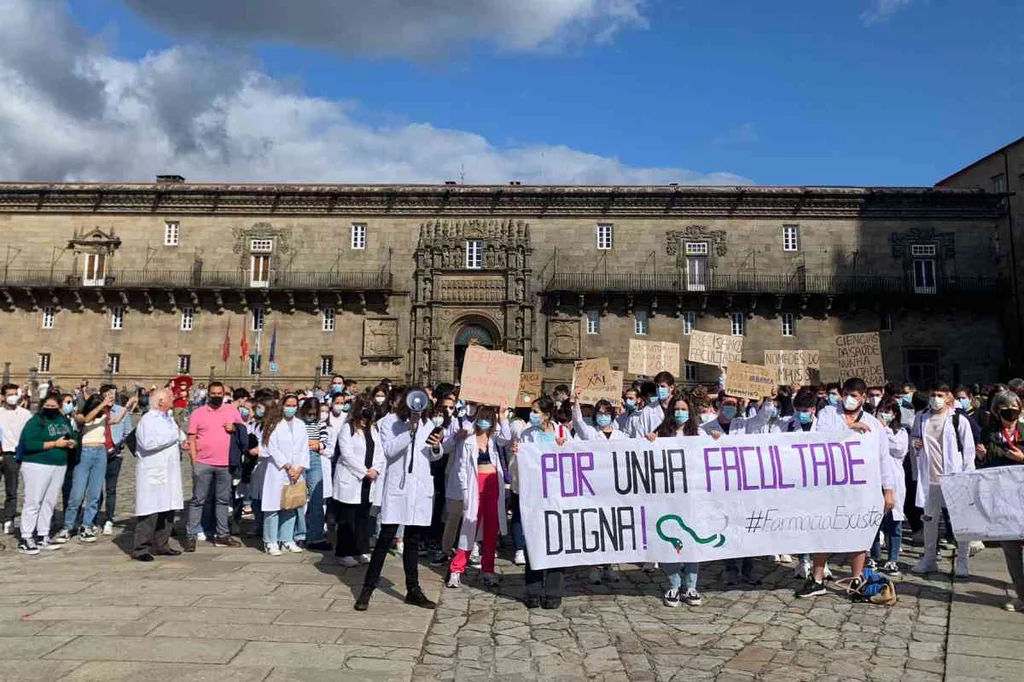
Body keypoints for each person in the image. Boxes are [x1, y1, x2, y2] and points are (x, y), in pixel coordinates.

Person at [796, 378, 896, 599]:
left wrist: (889, 489)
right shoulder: (828, 414)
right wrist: (849, 428)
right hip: (830, 483)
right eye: (847, 394)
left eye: (856, 395)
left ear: (863, 397)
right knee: (823, 529)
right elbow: (820, 438)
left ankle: (856, 579)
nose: (851, 399)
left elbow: (883, 458)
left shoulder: (874, 423)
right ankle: (817, 579)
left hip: (860, 485)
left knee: (859, 531)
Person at [355, 387, 441, 612]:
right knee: (385, 538)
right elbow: (390, 450)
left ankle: (413, 589)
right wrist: (409, 431)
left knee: (412, 541)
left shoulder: (428, 424)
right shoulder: (389, 422)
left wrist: (436, 446)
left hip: (419, 488)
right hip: (397, 488)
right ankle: (367, 588)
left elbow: (434, 456)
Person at [909, 382, 976, 577]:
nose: (936, 398)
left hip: (954, 478)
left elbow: (969, 450)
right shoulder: (921, 418)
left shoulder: (958, 420)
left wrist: (966, 476)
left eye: (940, 394)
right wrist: (915, 443)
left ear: (948, 397)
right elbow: (913, 440)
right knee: (929, 521)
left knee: (959, 521)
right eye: (933, 394)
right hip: (929, 479)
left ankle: (962, 561)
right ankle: (929, 559)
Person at [511, 396, 571, 609]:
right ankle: (533, 590)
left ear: (546, 414)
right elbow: (519, 468)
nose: (532, 415)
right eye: (531, 411)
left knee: (557, 543)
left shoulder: (562, 433)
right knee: (533, 543)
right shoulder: (526, 435)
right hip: (535, 497)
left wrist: (563, 448)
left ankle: (554, 591)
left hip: (557, 497)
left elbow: (573, 462)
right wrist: (517, 455)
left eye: (536, 411)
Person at [57, 391, 136, 543]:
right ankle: (68, 526)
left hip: (100, 453)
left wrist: (127, 405)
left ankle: (86, 526)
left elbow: (118, 420)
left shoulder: (104, 417)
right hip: (85, 452)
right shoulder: (79, 415)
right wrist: (103, 404)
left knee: (94, 494)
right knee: (77, 494)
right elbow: (86, 419)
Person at [448, 406, 508, 589]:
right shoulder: (469, 441)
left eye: (489, 419)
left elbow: (507, 437)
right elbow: (461, 470)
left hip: (493, 486)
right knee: (469, 527)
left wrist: (503, 415)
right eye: (482, 418)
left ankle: (488, 570)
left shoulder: (495, 440)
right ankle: (456, 569)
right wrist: (465, 493)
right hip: (475, 485)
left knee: (491, 529)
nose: (485, 422)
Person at [653, 395, 703, 607]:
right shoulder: (661, 432)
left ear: (689, 411)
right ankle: (673, 584)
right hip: (667, 495)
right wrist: (649, 441)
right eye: (676, 409)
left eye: (683, 409)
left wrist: (717, 438)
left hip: (692, 495)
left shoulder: (700, 433)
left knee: (691, 539)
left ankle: (690, 585)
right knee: (668, 538)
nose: (679, 412)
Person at [977, 390, 1024, 611]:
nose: (1010, 411)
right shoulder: (989, 432)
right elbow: (985, 468)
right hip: (1003, 498)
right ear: (997, 410)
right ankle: (1021, 594)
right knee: (1011, 549)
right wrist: (982, 456)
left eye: (1014, 407)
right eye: (1005, 408)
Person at [183, 382, 243, 551]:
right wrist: (194, 461)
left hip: (225, 463)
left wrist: (234, 428)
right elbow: (192, 439)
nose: (216, 396)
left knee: (223, 500)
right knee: (198, 500)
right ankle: (190, 535)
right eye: (213, 393)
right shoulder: (198, 413)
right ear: (208, 395)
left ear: (223, 394)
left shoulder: (231, 410)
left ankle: (222, 534)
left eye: (219, 393)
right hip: (203, 463)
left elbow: (243, 431)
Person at [17, 393, 76, 554]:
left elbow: (72, 434)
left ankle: (43, 534)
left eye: (54, 406)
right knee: (33, 501)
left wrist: (71, 442)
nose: (50, 409)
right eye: (47, 406)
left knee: (49, 501)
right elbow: (29, 443)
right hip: (37, 464)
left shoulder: (63, 420)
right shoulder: (36, 421)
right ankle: (27, 536)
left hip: (59, 464)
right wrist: (54, 443)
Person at [131, 388, 184, 561]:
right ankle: (141, 548)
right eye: (170, 397)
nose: (173, 398)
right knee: (150, 511)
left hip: (169, 471)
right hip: (153, 471)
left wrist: (181, 441)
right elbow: (147, 443)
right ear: (161, 401)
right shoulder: (148, 419)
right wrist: (173, 436)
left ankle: (162, 544)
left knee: (167, 509)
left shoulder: (168, 418)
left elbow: (177, 435)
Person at [333, 396, 384, 567]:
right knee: (348, 518)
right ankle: (343, 552)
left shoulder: (373, 429)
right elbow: (346, 454)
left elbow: (379, 452)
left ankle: (360, 550)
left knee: (363, 517)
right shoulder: (347, 428)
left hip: (368, 480)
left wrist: (375, 469)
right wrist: (364, 472)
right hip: (353, 477)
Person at [261, 395, 308, 556]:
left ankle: (286, 539)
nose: (291, 408)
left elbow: (304, 449)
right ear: (282, 406)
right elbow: (272, 448)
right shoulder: (274, 424)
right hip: (278, 470)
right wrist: (287, 466)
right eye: (288, 405)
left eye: (294, 405)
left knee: (291, 505)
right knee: (273, 507)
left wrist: (300, 468)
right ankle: (270, 541)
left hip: (296, 472)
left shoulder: (301, 425)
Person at [870, 397, 908, 576]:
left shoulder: (900, 432)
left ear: (894, 415)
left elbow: (898, 449)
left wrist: (884, 429)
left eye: (889, 411)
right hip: (874, 479)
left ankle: (892, 559)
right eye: (882, 410)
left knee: (894, 522)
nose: (885, 414)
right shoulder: (870, 430)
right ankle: (874, 557)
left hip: (894, 480)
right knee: (874, 522)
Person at [100, 384, 133, 536]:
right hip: (98, 453)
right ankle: (93, 519)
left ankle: (109, 519)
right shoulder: (98, 411)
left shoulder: (121, 411)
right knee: (95, 489)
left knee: (111, 489)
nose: (111, 396)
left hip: (115, 455)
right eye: (108, 394)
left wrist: (119, 446)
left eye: (113, 393)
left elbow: (128, 433)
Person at [298, 397, 330, 550]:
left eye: (313, 414)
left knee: (317, 500)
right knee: (298, 499)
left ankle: (316, 537)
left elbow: (325, 439)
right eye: (308, 413)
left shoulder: (320, 423)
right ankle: (300, 535)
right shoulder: (298, 423)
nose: (311, 416)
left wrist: (319, 444)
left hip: (314, 458)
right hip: (299, 459)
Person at [0, 383, 33, 535]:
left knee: (11, 489)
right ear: (3, 397)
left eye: (15, 394)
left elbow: (30, 434)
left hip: (12, 455)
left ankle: (8, 519)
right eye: (9, 394)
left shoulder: (25, 414)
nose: (12, 397)